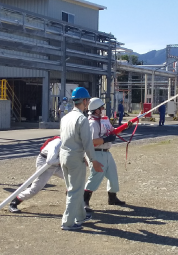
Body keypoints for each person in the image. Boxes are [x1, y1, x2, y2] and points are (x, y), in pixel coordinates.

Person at [60, 87, 103, 231]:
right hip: (74, 157)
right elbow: (87, 143)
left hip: (64, 156)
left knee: (74, 188)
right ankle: (67, 222)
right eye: (88, 101)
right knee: (75, 190)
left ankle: (80, 215)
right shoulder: (81, 119)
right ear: (84, 101)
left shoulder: (65, 117)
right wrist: (93, 160)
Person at [84, 98, 125, 213]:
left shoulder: (103, 121)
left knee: (113, 175)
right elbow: (92, 141)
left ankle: (112, 198)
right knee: (95, 177)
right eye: (101, 108)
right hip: (96, 153)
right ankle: (84, 201)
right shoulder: (92, 123)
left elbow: (113, 131)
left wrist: (125, 127)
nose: (103, 109)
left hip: (106, 152)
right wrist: (106, 139)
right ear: (95, 110)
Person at [9, 136, 64, 213]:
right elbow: (50, 161)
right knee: (34, 189)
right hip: (45, 164)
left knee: (75, 179)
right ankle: (14, 202)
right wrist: (66, 159)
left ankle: (77, 204)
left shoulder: (73, 142)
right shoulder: (57, 142)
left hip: (57, 164)